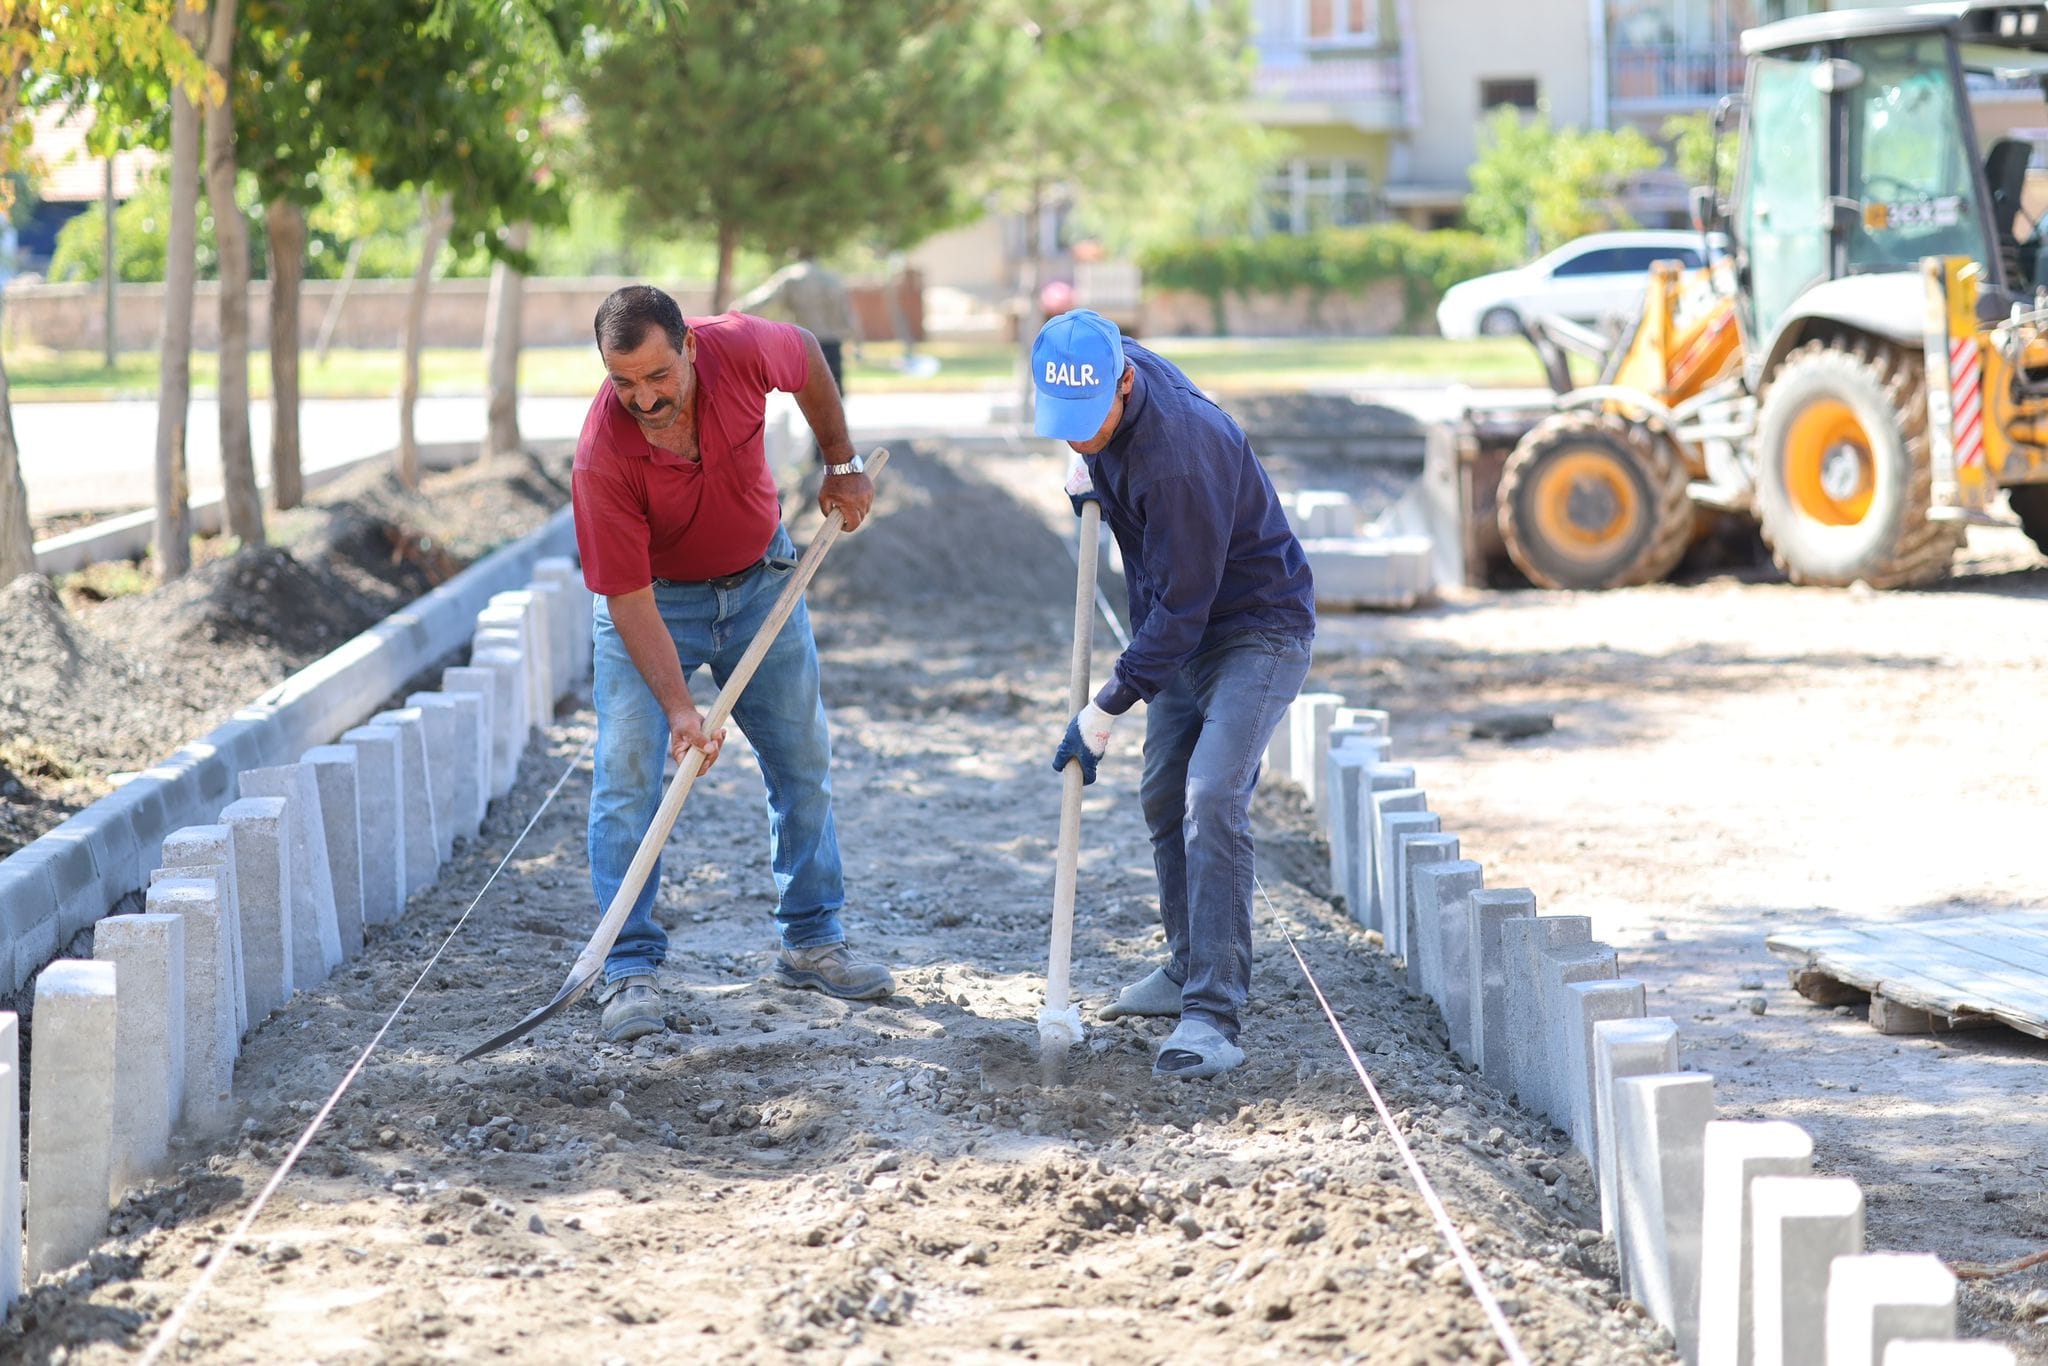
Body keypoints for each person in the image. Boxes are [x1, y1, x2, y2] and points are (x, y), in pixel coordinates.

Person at [572, 285, 895, 1044]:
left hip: (762, 586)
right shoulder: (602, 457)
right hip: (655, 608)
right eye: (623, 383)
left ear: (688, 346)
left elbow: (810, 357)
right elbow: (625, 596)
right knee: (626, 777)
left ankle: (813, 939)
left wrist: (840, 461)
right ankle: (626, 968)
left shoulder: (742, 348)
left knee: (801, 761)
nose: (643, 399)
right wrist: (680, 707)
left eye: (658, 376)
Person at [1039, 308, 1315, 1080]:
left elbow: (1186, 611)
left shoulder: (1181, 455)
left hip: (1255, 629)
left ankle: (1213, 1015)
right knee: (1164, 796)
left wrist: (1103, 709)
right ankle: (1187, 965)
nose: (1077, 436)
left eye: (1089, 424)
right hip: (1180, 628)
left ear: (1124, 385)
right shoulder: (1103, 362)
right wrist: (1089, 471)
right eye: (1064, 424)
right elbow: (1171, 606)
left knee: (1210, 797)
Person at [732, 257, 862, 420]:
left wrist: (735, 312)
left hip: (805, 345)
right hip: (831, 345)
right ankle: (828, 440)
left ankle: (821, 441)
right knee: (833, 398)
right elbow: (848, 316)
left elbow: (765, 299)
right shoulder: (832, 278)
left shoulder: (792, 276)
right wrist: (856, 343)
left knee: (811, 400)